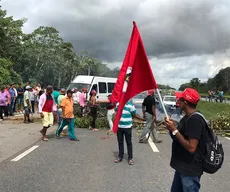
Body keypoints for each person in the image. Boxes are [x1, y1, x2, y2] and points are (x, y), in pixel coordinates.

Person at [164, 88, 205, 192]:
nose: (178, 101)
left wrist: (174, 129)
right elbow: (178, 138)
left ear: (185, 102)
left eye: (180, 99)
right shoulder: (187, 117)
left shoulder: (195, 120)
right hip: (181, 166)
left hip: (189, 170)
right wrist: (171, 128)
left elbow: (191, 148)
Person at [114, 100, 144, 165]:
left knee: (129, 142)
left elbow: (134, 114)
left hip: (127, 126)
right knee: (120, 142)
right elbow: (117, 113)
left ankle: (130, 158)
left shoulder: (131, 105)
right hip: (119, 126)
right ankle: (120, 156)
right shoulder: (118, 104)